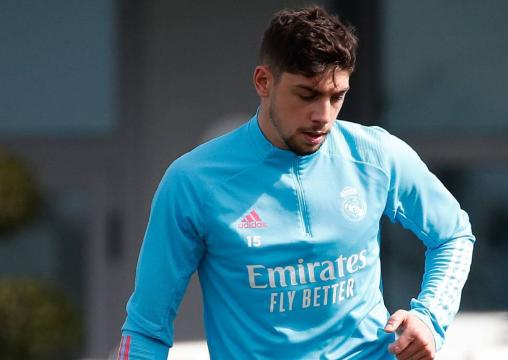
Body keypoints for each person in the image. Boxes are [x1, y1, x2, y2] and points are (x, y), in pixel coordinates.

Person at [117, 5, 475, 360]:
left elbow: (453, 234)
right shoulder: (192, 183)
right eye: (306, 95)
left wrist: (430, 318)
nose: (323, 116)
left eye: (336, 97)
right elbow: (146, 330)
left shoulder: (375, 155)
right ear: (263, 82)